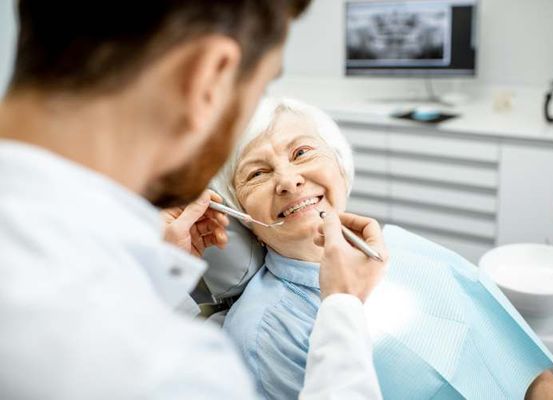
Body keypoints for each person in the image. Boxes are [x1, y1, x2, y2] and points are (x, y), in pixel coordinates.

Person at [0, 2, 388, 399]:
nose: (289, 179)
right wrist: (341, 309)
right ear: (209, 76)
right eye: (262, 86)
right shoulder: (177, 370)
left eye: (302, 152)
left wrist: (154, 273)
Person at [212, 97, 553, 400]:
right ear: (243, 215)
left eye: (303, 152)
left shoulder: (411, 250)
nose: (289, 180)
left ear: (340, 165)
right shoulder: (264, 333)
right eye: (257, 174)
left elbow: (530, 375)